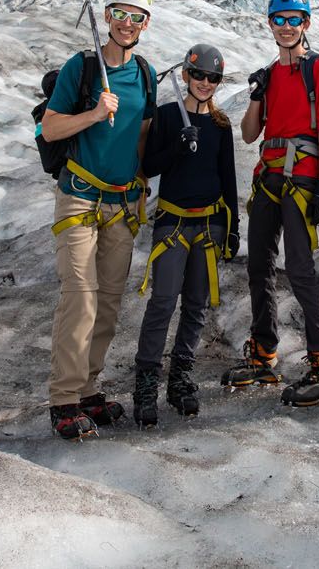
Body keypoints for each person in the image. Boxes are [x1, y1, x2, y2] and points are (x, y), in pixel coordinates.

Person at [41, 0, 157, 439]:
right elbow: (50, 130)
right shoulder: (82, 68)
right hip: (80, 198)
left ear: (146, 25)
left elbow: (143, 133)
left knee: (107, 303)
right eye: (120, 14)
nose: (127, 24)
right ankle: (63, 398)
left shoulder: (144, 74)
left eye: (137, 17)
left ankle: (88, 389)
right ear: (107, 17)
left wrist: (144, 179)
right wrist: (93, 113)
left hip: (123, 202)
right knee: (81, 298)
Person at [222, 0, 319, 407]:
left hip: (303, 176)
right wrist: (257, 94)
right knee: (259, 265)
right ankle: (264, 352)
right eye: (280, 20)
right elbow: (250, 133)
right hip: (268, 177)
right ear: (270, 24)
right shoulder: (269, 75)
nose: (287, 27)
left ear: (306, 24)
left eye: (295, 20)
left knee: (301, 267)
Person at [132, 44, 240, 428]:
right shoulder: (165, 117)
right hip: (173, 223)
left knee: (195, 304)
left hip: (209, 225)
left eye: (213, 78)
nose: (205, 84)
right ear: (186, 77)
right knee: (162, 301)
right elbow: (150, 166)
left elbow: (227, 178)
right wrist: (177, 146)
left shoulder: (222, 125)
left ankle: (180, 377)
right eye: (199, 76)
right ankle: (146, 381)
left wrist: (233, 228)